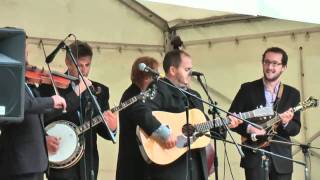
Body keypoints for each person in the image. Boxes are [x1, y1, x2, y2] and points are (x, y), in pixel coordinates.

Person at [121, 50, 241, 180]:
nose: (191, 73)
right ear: (173, 70)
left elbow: (205, 127)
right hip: (171, 170)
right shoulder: (159, 89)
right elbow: (139, 109)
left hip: (197, 169)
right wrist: (164, 133)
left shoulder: (195, 96)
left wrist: (226, 124)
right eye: (187, 69)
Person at [39, 40, 117, 180]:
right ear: (68, 62)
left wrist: (112, 128)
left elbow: (102, 130)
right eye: (79, 65)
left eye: (87, 65)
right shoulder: (50, 86)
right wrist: (77, 92)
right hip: (61, 161)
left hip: (89, 163)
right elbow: (44, 119)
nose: (84, 70)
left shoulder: (99, 90)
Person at [0, 37, 67, 180]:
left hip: (34, 161)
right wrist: (51, 101)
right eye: (23, 47)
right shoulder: (6, 77)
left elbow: (34, 112)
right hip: (20, 162)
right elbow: (23, 105)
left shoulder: (22, 81)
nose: (26, 52)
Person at [229, 47, 301, 180]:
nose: (269, 67)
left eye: (275, 63)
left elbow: (296, 128)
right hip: (254, 154)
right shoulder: (247, 89)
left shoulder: (293, 94)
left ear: (284, 67)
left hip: (281, 158)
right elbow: (231, 119)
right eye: (266, 62)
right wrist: (250, 128)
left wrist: (285, 123)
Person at [116, 56, 160, 180]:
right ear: (147, 76)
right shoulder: (131, 96)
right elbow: (146, 119)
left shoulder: (144, 94)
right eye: (155, 72)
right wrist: (165, 133)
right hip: (133, 163)